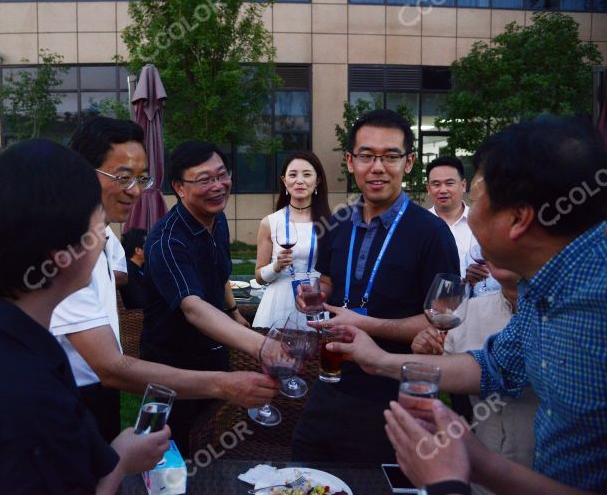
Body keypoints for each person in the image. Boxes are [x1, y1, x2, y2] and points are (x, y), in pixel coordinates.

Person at [325, 115, 607, 492]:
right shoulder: (541, 291)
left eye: (474, 202)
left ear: (519, 219)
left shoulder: (595, 309)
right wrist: (379, 360)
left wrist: (454, 474)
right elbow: (493, 366)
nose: (467, 218)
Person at [0, 139, 170, 495]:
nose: (104, 242)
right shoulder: (28, 389)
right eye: (98, 227)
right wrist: (121, 459)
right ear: (63, 255)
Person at [50, 118, 278, 447]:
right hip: (75, 397)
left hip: (113, 389)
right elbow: (113, 365)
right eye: (123, 177)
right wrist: (238, 370)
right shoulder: (67, 249)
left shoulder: (102, 237)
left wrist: (231, 311)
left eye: (142, 178)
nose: (136, 190)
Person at [291, 109, 460, 463]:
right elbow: (328, 283)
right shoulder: (337, 223)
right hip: (331, 381)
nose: (377, 167)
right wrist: (317, 297)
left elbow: (441, 322)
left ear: (410, 162)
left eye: (390, 156)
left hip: (394, 393)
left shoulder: (431, 233)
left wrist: (363, 323)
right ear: (351, 162)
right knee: (305, 472)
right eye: (367, 156)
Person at [140, 141, 281, 455]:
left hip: (213, 353)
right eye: (204, 180)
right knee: (173, 450)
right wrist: (261, 345)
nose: (218, 186)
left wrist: (232, 310)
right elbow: (194, 308)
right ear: (179, 187)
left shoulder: (216, 221)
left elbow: (219, 276)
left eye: (222, 175)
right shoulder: (167, 241)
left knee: (211, 434)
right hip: (174, 367)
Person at [410, 260, 538, 495]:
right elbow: (439, 390)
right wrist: (424, 353)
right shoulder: (468, 312)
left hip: (547, 480)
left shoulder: (569, 317)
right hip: (479, 483)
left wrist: (379, 359)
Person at [252, 151, 331, 328]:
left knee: (315, 355)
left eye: (307, 174)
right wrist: (276, 266)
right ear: (284, 181)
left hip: (314, 301)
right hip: (277, 304)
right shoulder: (270, 222)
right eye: (293, 175)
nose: (300, 180)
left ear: (317, 180)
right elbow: (259, 277)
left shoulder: (330, 223)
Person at [425, 157, 476, 278]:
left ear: (463, 185)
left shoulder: (481, 222)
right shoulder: (419, 225)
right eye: (436, 184)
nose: (442, 190)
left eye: (449, 183)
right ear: (428, 189)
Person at [119, 228, 147, 309]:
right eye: (148, 244)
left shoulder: (142, 266)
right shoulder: (128, 272)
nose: (151, 247)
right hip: (137, 316)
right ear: (138, 250)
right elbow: (141, 301)